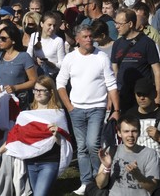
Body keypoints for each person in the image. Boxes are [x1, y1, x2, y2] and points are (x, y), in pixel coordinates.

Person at [56, 24, 120, 196]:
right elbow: (60, 83)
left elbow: (111, 84)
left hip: (97, 108)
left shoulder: (101, 57)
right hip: (76, 109)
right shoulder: (70, 58)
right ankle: (86, 182)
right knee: (82, 147)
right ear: (77, 39)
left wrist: (116, 108)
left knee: (93, 145)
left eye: (91, 36)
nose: (89, 39)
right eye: (85, 37)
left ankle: (98, 178)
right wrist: (69, 106)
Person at [0, 76, 72, 196]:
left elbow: (65, 143)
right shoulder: (26, 114)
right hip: (31, 162)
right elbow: (15, 137)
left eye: (41, 90)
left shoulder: (58, 114)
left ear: (50, 92)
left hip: (49, 162)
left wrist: (58, 135)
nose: (37, 93)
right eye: (35, 90)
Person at [94, 114, 160, 195]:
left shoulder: (150, 154)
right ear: (119, 133)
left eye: (134, 131)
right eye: (126, 131)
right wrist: (107, 168)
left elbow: (152, 187)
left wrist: (137, 175)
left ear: (139, 133)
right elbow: (100, 185)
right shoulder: (111, 151)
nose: (130, 135)